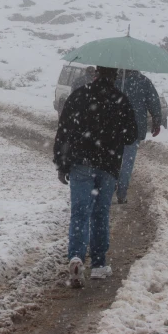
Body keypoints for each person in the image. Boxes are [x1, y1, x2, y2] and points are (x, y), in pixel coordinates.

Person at [53, 66, 138, 285]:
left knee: (79, 214)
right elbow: (131, 136)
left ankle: (76, 257)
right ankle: (99, 264)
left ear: (95, 74)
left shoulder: (79, 96)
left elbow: (63, 130)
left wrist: (62, 164)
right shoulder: (120, 99)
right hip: (107, 166)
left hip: (81, 164)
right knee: (100, 214)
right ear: (115, 76)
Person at [115, 70, 162, 205]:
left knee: (113, 159)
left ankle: (111, 186)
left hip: (114, 128)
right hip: (135, 128)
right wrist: (156, 120)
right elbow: (153, 101)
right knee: (127, 163)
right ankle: (122, 193)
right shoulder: (143, 81)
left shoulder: (114, 79)